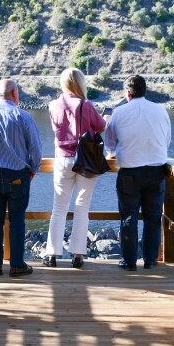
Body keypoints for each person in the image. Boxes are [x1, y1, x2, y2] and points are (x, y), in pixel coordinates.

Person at [0, 78, 42, 277]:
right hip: (18, 175)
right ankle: (16, 264)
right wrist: (33, 169)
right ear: (14, 93)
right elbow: (36, 148)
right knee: (17, 220)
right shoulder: (23, 116)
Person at [104, 75, 172, 271]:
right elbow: (166, 141)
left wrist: (114, 153)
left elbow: (110, 143)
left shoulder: (118, 112)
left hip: (129, 173)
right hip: (156, 170)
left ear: (127, 93)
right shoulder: (161, 111)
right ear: (145, 91)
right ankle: (150, 260)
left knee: (128, 217)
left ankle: (129, 261)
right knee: (153, 217)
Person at [43, 68, 108, 269]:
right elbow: (101, 126)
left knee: (59, 207)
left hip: (62, 159)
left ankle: (51, 254)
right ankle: (77, 255)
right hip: (85, 159)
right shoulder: (86, 105)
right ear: (80, 83)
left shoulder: (53, 105)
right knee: (82, 208)